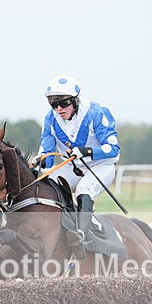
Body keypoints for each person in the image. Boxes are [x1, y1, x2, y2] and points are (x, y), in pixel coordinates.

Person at [31, 74, 120, 259]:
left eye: (63, 103)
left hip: (101, 166)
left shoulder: (96, 113)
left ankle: (81, 234)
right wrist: (40, 160)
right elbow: (47, 154)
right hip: (74, 166)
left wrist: (87, 151)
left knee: (84, 188)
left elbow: (113, 149)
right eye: (53, 104)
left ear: (75, 100)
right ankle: (62, 223)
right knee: (48, 182)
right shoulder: (50, 119)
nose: (59, 109)